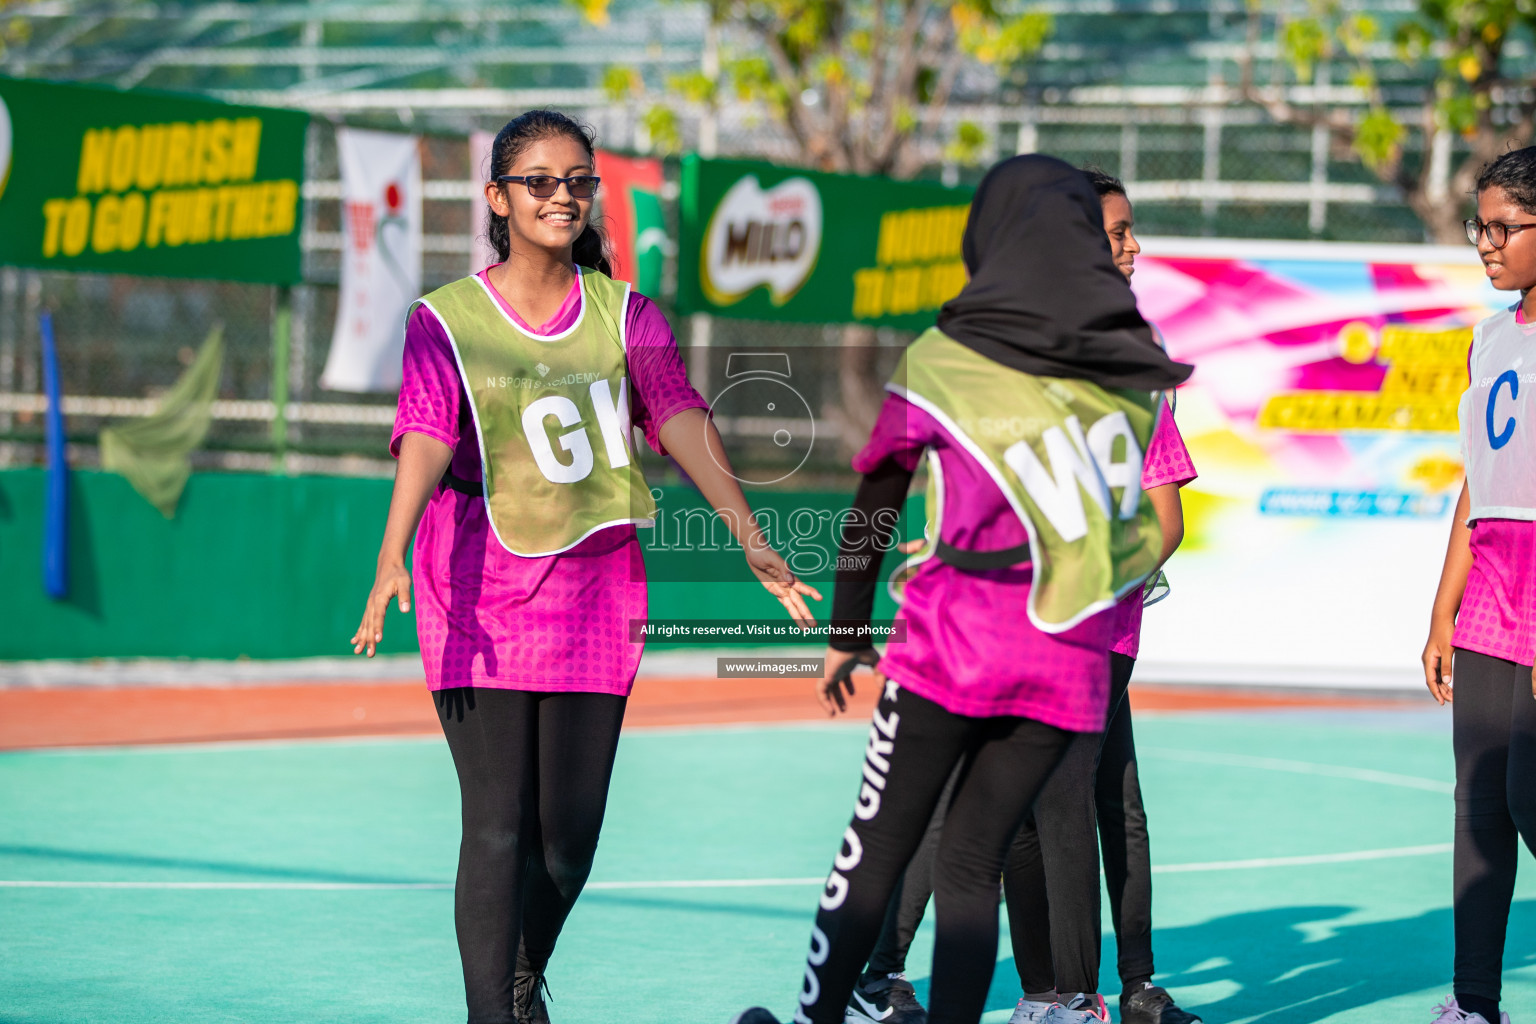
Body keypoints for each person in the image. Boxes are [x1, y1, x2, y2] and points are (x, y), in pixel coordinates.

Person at [350, 109, 818, 1024]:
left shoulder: (625, 313)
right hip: (477, 588)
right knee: (495, 826)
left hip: (596, 590)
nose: (562, 196)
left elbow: (679, 413)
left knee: (568, 841)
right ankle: (496, 1012)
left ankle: (524, 972)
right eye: (540, 181)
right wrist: (390, 552)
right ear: (498, 198)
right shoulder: (445, 319)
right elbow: (427, 434)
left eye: (577, 181)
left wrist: (748, 531)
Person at [733, 153, 1193, 1024]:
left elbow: (874, 509)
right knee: (975, 860)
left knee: (876, 850)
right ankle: (1031, 1004)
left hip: (955, 643)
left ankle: (819, 1017)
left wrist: (845, 632)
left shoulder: (950, 352)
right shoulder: (1131, 364)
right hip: (1062, 663)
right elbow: (1137, 525)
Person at [1001, 170, 1201, 1024]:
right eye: (1116, 232)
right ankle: (1067, 990)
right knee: (1077, 799)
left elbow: (1166, 518)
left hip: (1089, 636)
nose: (1133, 248)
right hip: (1003, 631)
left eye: (1130, 232)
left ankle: (1087, 993)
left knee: (1074, 801)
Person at [1421, 146, 1536, 1024]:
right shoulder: (1491, 334)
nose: (1487, 245)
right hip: (1493, 582)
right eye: (1481, 228)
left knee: (1528, 792)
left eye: (1504, 228)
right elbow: (1479, 478)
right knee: (1479, 799)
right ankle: (1473, 1003)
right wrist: (1442, 606)